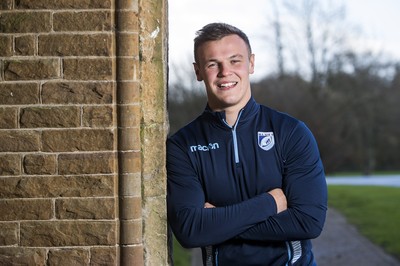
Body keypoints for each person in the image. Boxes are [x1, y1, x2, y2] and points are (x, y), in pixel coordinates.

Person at [167, 22, 327, 266]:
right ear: (198, 71)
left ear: (251, 63)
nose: (225, 72)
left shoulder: (291, 132)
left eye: (235, 60)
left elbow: (309, 220)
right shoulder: (182, 146)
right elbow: (190, 231)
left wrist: (217, 223)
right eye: (213, 64)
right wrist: (270, 203)